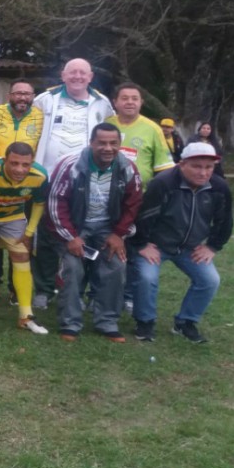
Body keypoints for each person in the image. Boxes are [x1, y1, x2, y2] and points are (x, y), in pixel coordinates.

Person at [45, 123, 142, 343]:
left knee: (116, 266)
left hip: (108, 228)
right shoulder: (70, 166)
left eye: (113, 143)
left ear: (120, 144)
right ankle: (70, 323)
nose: (108, 148)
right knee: (72, 268)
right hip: (75, 227)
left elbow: (133, 204)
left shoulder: (127, 168)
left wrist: (119, 234)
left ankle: (107, 322)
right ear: (91, 143)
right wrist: (71, 237)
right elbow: (55, 203)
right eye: (102, 143)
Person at [30, 58, 114, 308]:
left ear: (90, 77)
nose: (77, 76)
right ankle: (44, 289)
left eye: (82, 73)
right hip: (47, 179)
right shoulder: (44, 99)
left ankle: (79, 290)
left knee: (83, 234)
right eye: (72, 72)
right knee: (45, 236)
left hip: (85, 182)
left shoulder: (102, 103)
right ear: (63, 75)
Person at [131, 142, 233, 344]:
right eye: (196, 166)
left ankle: (185, 323)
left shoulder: (219, 187)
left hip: (190, 248)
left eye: (208, 167)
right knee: (146, 277)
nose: (203, 172)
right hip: (156, 245)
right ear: (182, 164)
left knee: (210, 280)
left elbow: (225, 221)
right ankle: (145, 322)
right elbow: (143, 216)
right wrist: (142, 244)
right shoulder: (163, 183)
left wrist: (212, 246)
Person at [0, 143, 50, 335]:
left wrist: (29, 232)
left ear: (32, 163)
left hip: (12, 216)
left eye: (25, 165)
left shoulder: (40, 175)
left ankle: (26, 316)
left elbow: (39, 204)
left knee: (22, 257)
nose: (19, 169)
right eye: (14, 163)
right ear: (4, 160)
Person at [0, 79, 44, 301]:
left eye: (27, 93)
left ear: (33, 96)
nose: (22, 97)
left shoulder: (40, 116)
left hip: (24, 182)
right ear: (9, 96)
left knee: (19, 239)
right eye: (18, 93)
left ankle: (16, 289)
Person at [108, 83, 174, 187]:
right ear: (115, 102)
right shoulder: (105, 124)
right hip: (105, 190)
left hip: (141, 193)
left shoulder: (153, 129)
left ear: (141, 102)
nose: (130, 102)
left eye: (135, 99)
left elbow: (164, 168)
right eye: (124, 98)